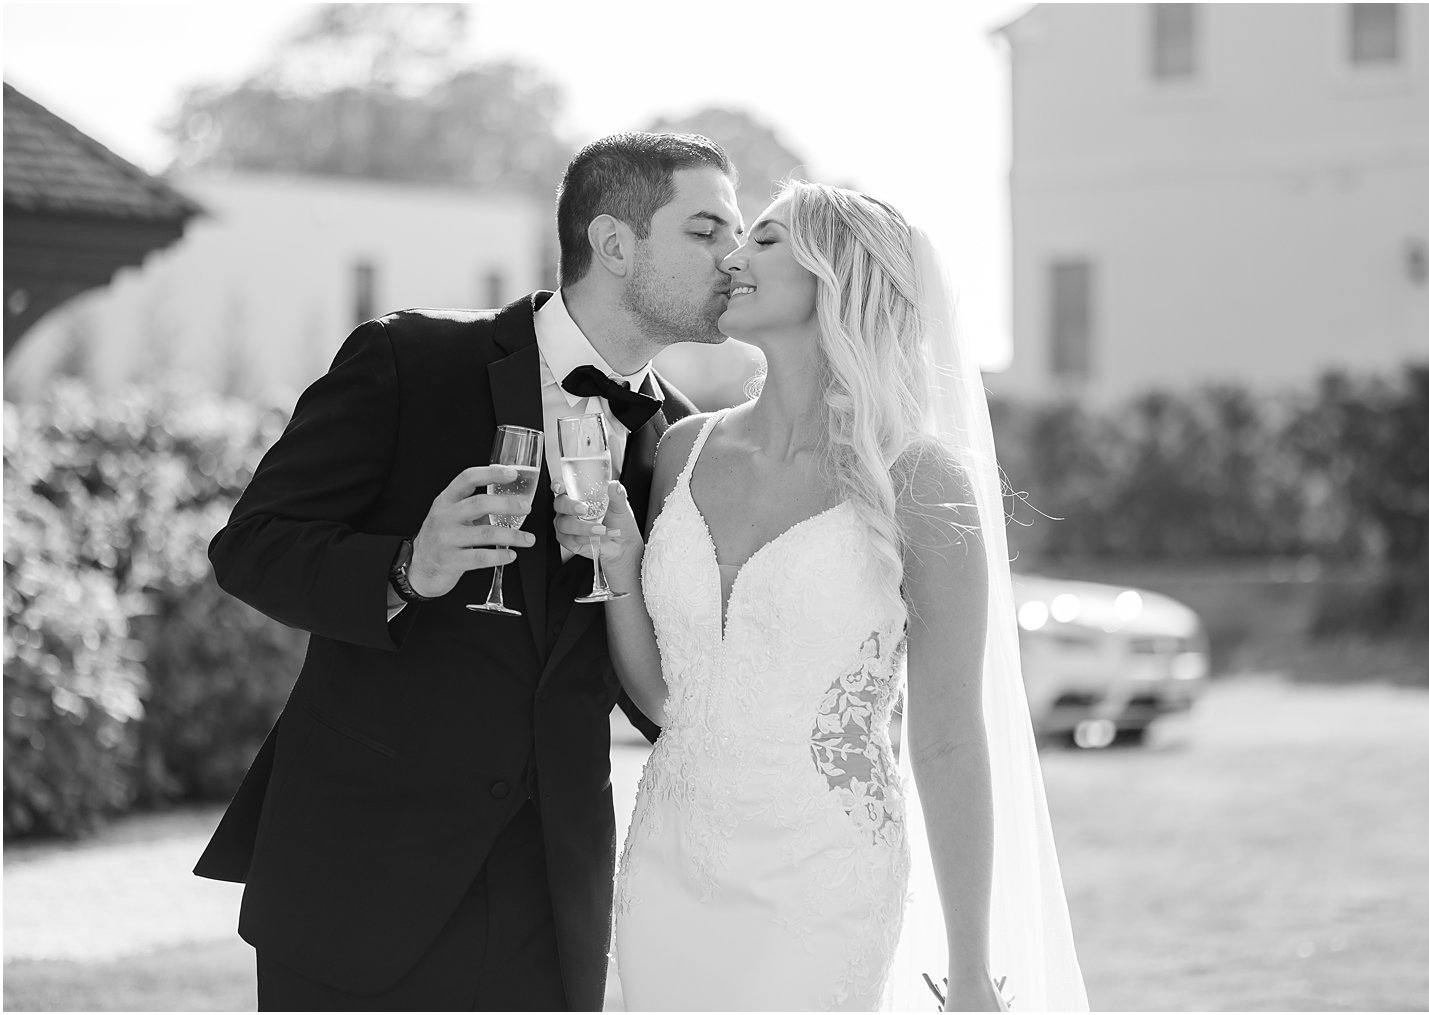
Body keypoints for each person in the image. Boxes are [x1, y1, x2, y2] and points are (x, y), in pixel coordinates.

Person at [193, 131, 743, 1010]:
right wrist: (410, 564)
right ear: (613, 243)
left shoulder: (683, 444)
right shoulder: (409, 359)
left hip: (549, 897)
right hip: (361, 873)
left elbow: (655, 693)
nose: (734, 255)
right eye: (706, 229)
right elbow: (251, 546)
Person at [553, 182, 1089, 1011]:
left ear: (837, 275)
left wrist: (973, 964)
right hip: (666, 861)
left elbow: (947, 738)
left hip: (821, 876)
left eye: (764, 241)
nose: (733, 258)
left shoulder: (915, 481)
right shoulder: (683, 450)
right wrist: (621, 566)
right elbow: (666, 694)